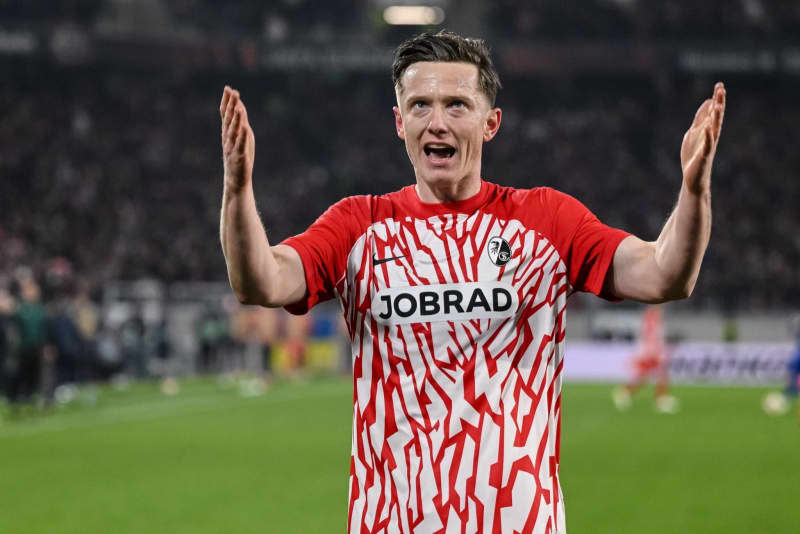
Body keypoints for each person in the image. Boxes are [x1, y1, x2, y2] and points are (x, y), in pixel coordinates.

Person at [219, 31, 725, 533]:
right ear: (399, 122)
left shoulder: (546, 220)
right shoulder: (358, 226)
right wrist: (238, 192)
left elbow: (664, 274)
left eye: (457, 105)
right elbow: (262, 280)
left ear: (490, 123)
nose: (437, 122)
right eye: (420, 105)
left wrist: (694, 190)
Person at [612, 305, 679, 413]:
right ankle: (660, 400)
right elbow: (650, 336)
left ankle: (626, 392)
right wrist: (653, 351)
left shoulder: (652, 316)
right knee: (657, 375)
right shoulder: (652, 317)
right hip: (651, 352)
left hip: (651, 351)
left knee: (649, 376)